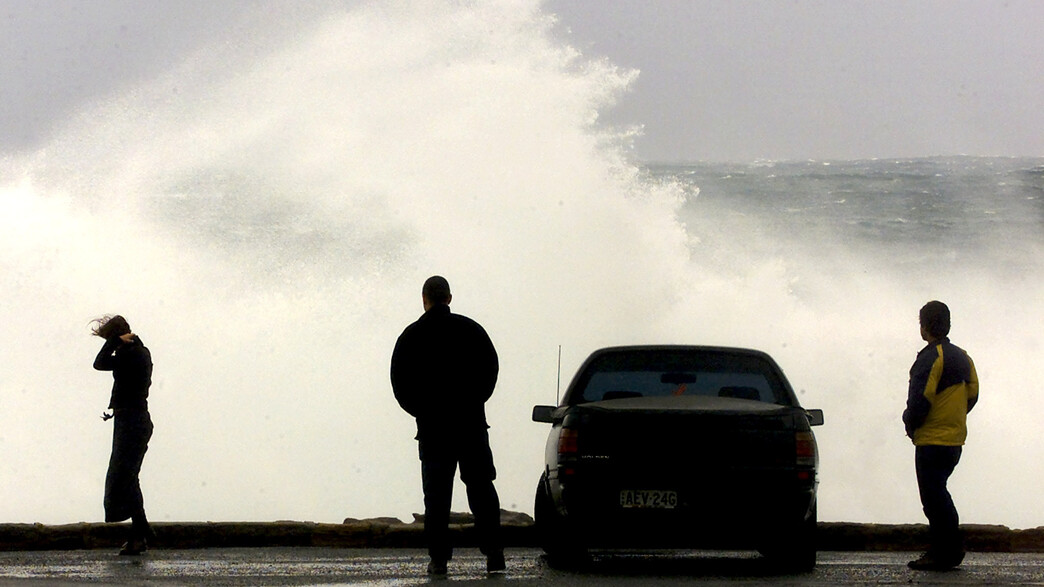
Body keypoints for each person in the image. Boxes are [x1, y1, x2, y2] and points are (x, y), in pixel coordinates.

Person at [390, 276, 505, 576]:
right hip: (471, 425)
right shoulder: (472, 330)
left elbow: (400, 385)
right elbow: (490, 371)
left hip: (433, 429)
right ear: (449, 298)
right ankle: (494, 554)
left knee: (437, 498)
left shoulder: (411, 336)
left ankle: (439, 559)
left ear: (424, 299)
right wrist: (473, 401)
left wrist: (423, 411)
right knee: (481, 488)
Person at [902, 301, 978, 571]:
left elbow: (920, 401)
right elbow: (972, 394)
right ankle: (947, 548)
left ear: (924, 327)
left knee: (933, 497)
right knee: (939, 493)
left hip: (931, 439)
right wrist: (954, 416)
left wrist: (910, 424)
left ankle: (945, 551)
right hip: (955, 439)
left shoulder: (930, 358)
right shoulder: (963, 357)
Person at [91, 315, 155, 556]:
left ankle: (142, 533)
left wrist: (115, 342)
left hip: (132, 422)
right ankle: (141, 534)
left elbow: (99, 363)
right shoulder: (137, 352)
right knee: (127, 478)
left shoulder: (132, 354)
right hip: (130, 420)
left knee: (125, 478)